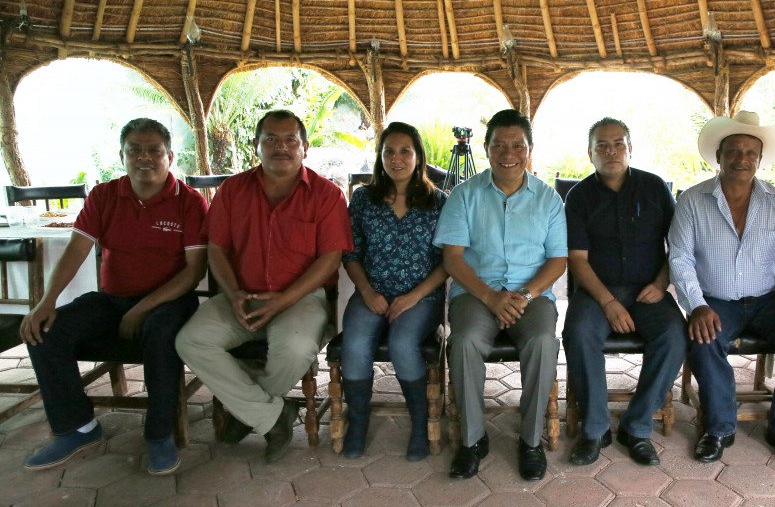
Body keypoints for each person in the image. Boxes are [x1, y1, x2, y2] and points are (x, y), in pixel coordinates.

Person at [21, 118, 208, 475]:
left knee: (161, 335)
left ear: (170, 155)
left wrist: (143, 307)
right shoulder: (105, 195)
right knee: (44, 332)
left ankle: (159, 434)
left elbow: (193, 272)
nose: (144, 157)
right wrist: (46, 302)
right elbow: (76, 249)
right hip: (112, 300)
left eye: (154, 150)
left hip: (169, 300)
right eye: (134, 149)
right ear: (122, 155)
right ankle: (79, 428)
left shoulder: (189, 202)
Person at [176, 109, 351, 464]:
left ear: (305, 148)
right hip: (242, 295)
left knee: (296, 349)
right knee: (190, 341)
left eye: (291, 140)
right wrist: (235, 292)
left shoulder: (326, 195)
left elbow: (330, 259)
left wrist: (284, 299)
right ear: (256, 145)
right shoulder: (233, 190)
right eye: (271, 139)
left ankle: (251, 413)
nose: (281, 147)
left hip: (299, 298)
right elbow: (217, 249)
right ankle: (274, 415)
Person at [669, 111, 775, 467]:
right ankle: (719, 429)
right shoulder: (692, 201)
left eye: (750, 152)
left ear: (759, 158)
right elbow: (679, 260)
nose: (742, 158)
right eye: (734, 151)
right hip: (715, 301)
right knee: (704, 340)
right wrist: (696, 305)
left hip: (767, 301)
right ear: (719, 156)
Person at [434, 109, 567, 481]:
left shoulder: (548, 199)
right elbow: (453, 258)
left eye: (517, 145)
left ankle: (530, 441)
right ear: (487, 148)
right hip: (476, 293)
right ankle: (473, 440)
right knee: (463, 342)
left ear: (530, 149)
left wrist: (525, 294)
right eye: (499, 145)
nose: (508, 153)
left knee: (543, 340)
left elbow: (558, 260)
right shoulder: (464, 195)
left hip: (532, 295)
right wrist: (492, 298)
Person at [562, 117, 686, 467]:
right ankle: (595, 428)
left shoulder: (654, 187)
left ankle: (637, 426)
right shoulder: (580, 196)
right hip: (597, 290)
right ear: (590, 153)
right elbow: (578, 260)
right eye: (602, 145)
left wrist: (662, 284)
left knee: (674, 336)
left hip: (649, 289)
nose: (611, 151)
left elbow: (676, 245)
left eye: (618, 143)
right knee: (579, 333)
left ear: (630, 149)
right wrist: (608, 302)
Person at [340, 122, 447, 461]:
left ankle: (419, 424)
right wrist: (367, 291)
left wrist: (415, 296)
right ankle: (357, 422)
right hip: (372, 292)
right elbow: (351, 254)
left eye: (405, 151)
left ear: (419, 157)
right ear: (380, 157)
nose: (396, 158)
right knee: (355, 344)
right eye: (389, 151)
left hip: (422, 296)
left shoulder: (439, 202)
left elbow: (448, 262)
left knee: (403, 343)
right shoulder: (363, 200)